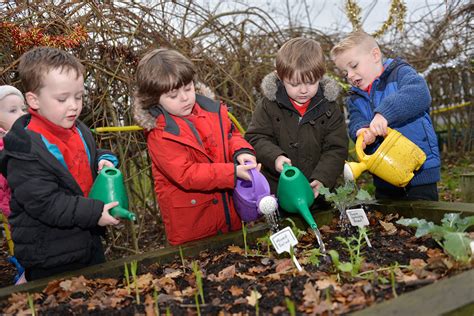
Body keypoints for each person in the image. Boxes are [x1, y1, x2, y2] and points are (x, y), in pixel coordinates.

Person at [0, 47, 121, 281]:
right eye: (62, 99)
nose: (74, 106)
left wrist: (103, 160)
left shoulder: (79, 130)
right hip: (49, 253)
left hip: (87, 240)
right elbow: (45, 202)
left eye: (79, 96)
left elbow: (91, 154)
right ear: (33, 100)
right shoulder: (24, 149)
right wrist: (95, 213)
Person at [133, 48, 257, 246]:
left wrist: (242, 153)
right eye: (173, 95)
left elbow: (231, 135)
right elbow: (186, 174)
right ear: (154, 99)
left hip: (230, 217)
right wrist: (232, 173)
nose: (184, 98)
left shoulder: (212, 110)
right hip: (192, 230)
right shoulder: (160, 134)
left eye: (188, 88)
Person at [331, 30, 440, 201]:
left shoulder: (400, 74)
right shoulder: (354, 98)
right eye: (345, 73)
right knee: (388, 222)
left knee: (424, 220)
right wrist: (361, 131)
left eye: (354, 66)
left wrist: (384, 114)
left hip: (419, 171)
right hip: (383, 174)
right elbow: (355, 120)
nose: (350, 75)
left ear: (375, 55)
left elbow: (419, 94)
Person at [245, 37, 348, 208]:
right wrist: (275, 157)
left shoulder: (329, 107)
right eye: (294, 84)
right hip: (278, 191)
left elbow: (336, 149)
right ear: (280, 77)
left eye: (311, 82)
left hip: (317, 194)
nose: (303, 90)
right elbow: (256, 137)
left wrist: (322, 179)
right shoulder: (268, 105)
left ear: (321, 76)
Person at [0, 86, 26, 219]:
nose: (22, 114)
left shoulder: (27, 136)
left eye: (23, 109)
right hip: (18, 211)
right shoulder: (4, 147)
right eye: (13, 110)